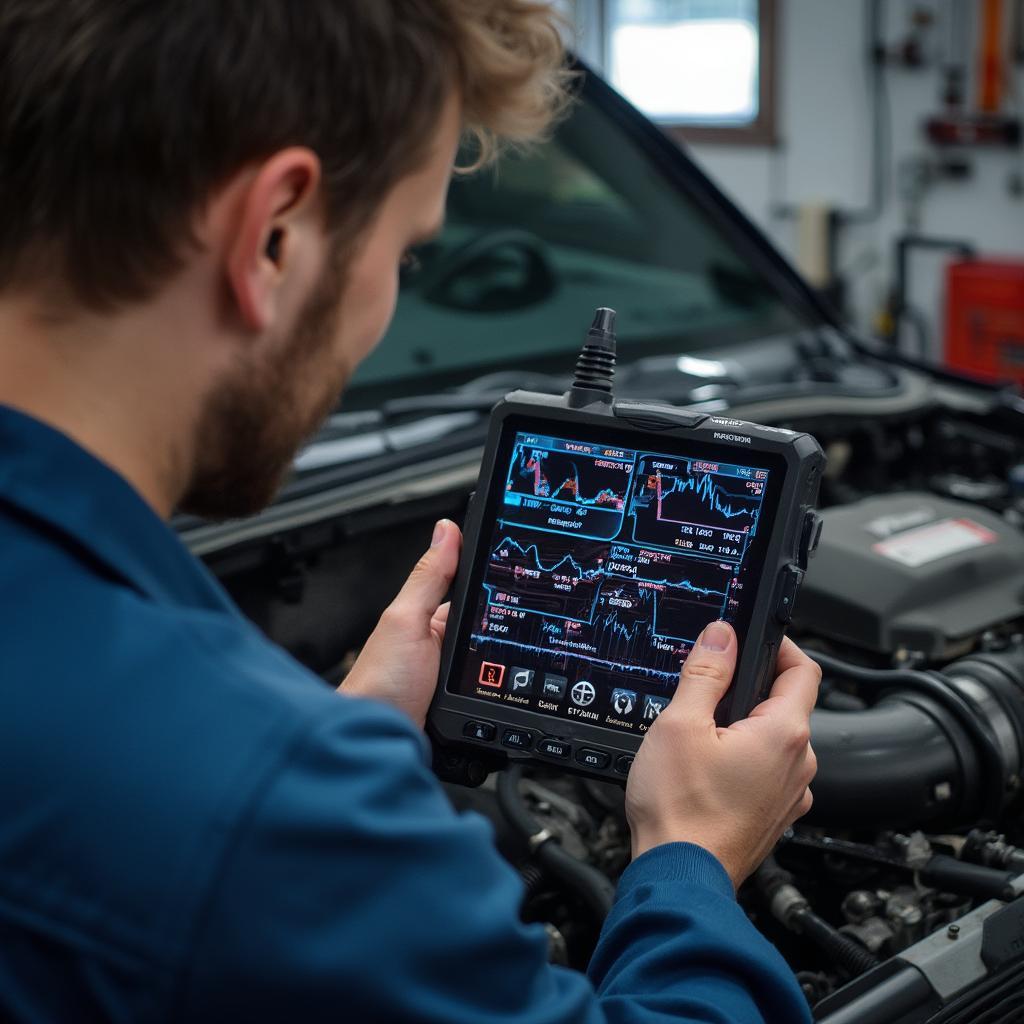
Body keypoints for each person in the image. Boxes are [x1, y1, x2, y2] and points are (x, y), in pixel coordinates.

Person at [0, 2, 820, 1021]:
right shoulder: (270, 809)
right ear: (274, 236)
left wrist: (340, 739)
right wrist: (693, 857)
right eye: (405, 253)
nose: (388, 303)